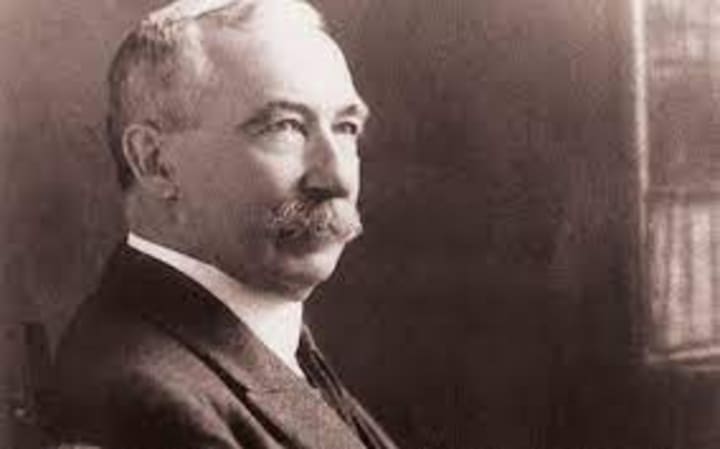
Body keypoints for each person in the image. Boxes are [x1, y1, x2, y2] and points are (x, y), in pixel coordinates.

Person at [48, 1, 398, 448]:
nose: (336, 178)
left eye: (345, 128)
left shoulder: (263, 337)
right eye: (285, 127)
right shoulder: (149, 400)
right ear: (156, 163)